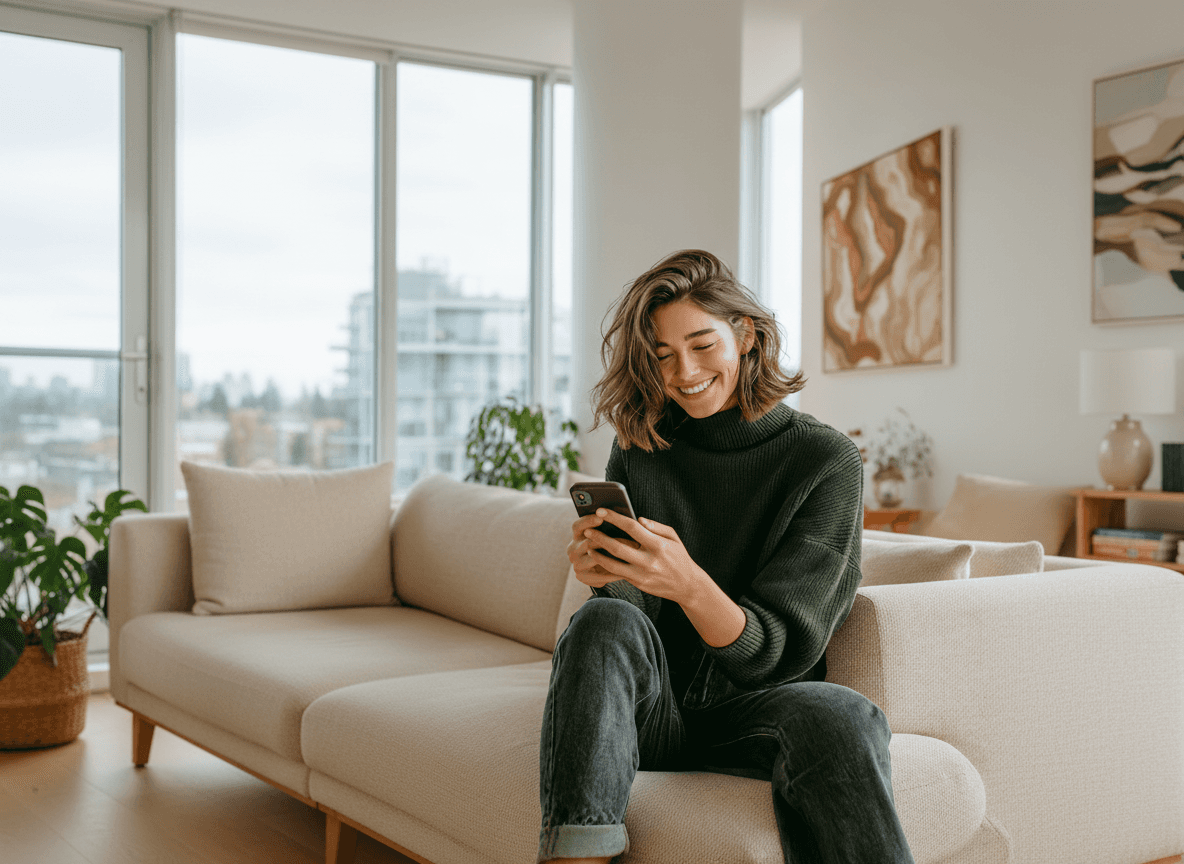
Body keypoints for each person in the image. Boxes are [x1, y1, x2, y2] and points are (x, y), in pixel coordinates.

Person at [537, 249, 915, 864]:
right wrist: (608, 574)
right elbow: (628, 627)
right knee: (601, 620)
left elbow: (776, 654)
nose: (683, 372)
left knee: (843, 713)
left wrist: (689, 583)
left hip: (754, 713)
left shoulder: (824, 463)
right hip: (651, 709)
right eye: (660, 356)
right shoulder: (642, 447)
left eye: (701, 344)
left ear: (745, 335)